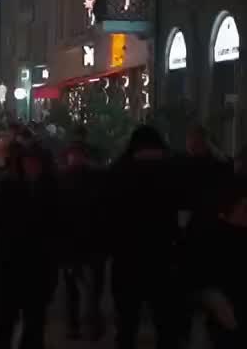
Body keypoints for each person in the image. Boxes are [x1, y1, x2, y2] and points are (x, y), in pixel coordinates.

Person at [106, 125, 181, 349]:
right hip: (163, 254)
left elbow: (106, 212)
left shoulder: (119, 170)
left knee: (127, 321)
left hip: (127, 255)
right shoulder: (171, 170)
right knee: (165, 322)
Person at [188, 178, 247, 349]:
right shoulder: (215, 239)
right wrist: (214, 300)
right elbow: (201, 276)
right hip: (229, 324)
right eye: (245, 208)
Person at [0, 142, 60, 349]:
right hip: (9, 262)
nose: (31, 166)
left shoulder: (51, 188)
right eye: (27, 162)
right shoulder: (8, 185)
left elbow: (60, 224)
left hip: (39, 264)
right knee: (5, 321)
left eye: (35, 163)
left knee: (34, 322)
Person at [58, 140, 106, 341]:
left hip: (84, 240)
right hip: (82, 240)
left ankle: (81, 324)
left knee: (84, 287)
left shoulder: (65, 178)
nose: (75, 158)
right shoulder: (94, 178)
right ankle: (82, 324)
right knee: (83, 288)